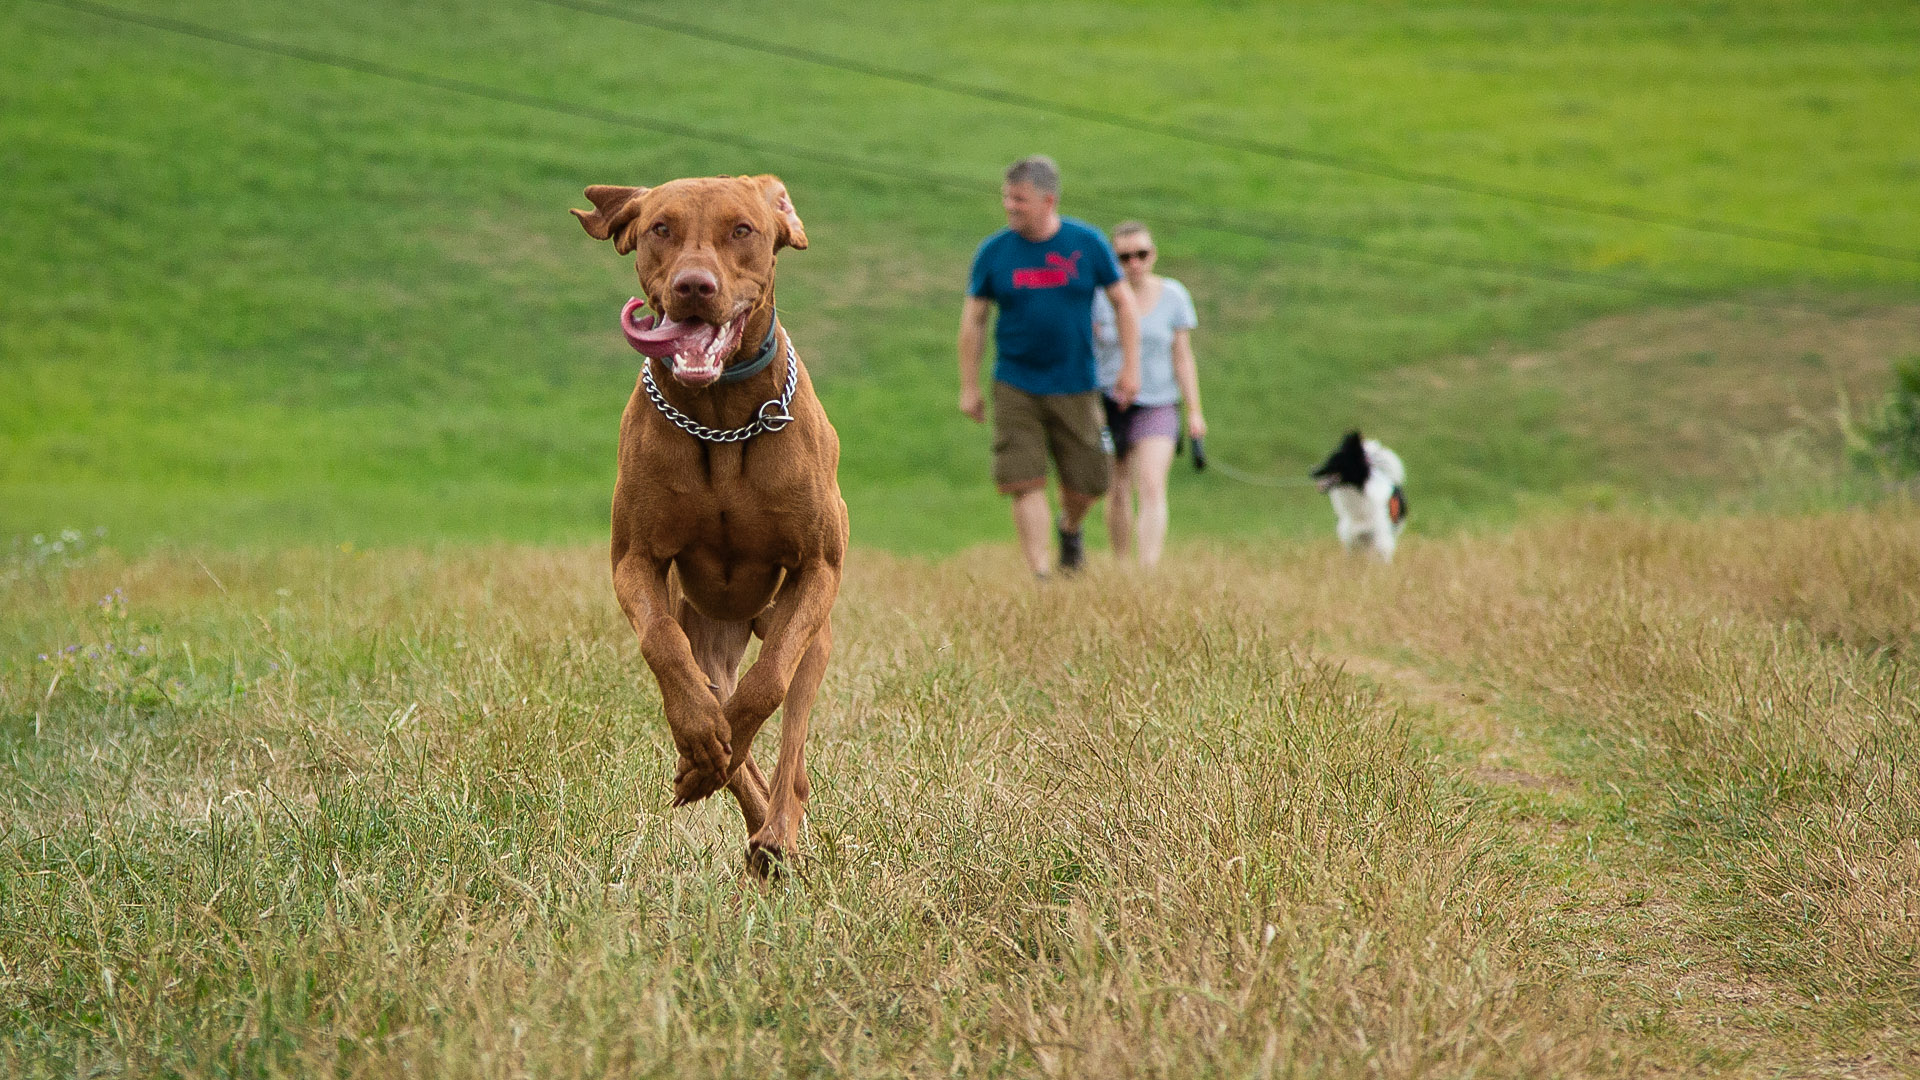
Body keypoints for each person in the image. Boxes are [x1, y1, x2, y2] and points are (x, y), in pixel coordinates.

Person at [958, 156, 1141, 577]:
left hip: (1076, 382)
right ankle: (1040, 574)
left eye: (1019, 199)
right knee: (1023, 479)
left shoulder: (1087, 244)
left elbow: (1123, 304)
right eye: (1006, 197)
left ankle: (1070, 527)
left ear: (1048, 200)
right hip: (1015, 382)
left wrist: (1130, 368)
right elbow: (974, 320)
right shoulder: (994, 252)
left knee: (1090, 481)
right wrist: (969, 386)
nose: (1009, 206)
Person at [1094, 222, 1206, 569]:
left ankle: (1148, 569)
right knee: (1116, 487)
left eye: (1141, 254)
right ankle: (1122, 564)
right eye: (1124, 257)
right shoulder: (1099, 298)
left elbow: (1182, 357)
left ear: (1153, 255)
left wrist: (1195, 411)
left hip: (1157, 401)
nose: (1134, 263)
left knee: (1152, 483)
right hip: (1108, 404)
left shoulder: (1173, 296)